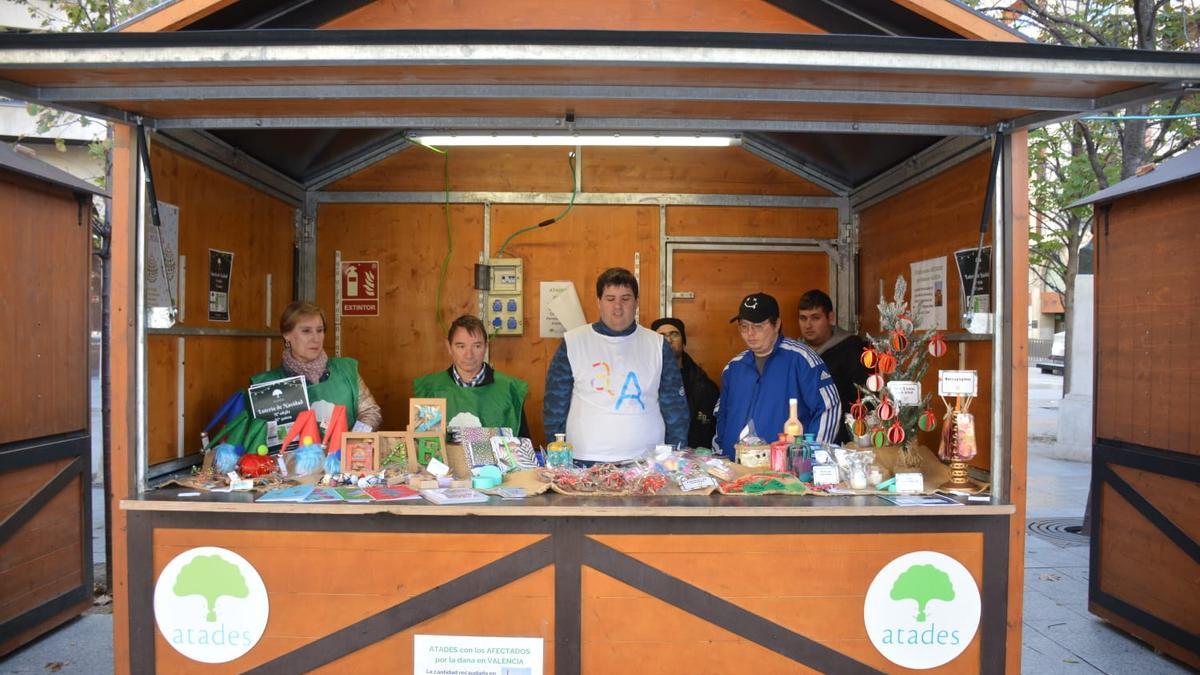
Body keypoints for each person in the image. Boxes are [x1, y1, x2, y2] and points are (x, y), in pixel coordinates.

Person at [543, 267, 688, 462]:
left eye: (625, 299)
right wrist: (559, 459)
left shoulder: (658, 345)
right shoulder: (573, 342)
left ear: (636, 302)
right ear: (599, 302)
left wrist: (673, 458)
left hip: (647, 463)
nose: (618, 307)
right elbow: (554, 409)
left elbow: (675, 409)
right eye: (610, 299)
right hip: (584, 461)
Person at [714, 292, 840, 454]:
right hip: (736, 470)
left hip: (786, 471)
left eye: (758, 326)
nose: (750, 333)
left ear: (777, 324)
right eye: (744, 326)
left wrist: (813, 457)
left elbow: (829, 407)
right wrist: (720, 456)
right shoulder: (733, 368)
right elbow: (722, 415)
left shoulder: (802, 359)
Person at [251, 301, 382, 431]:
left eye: (320, 330)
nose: (316, 338)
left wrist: (351, 441)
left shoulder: (345, 370)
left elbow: (370, 412)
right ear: (287, 335)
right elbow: (265, 435)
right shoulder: (267, 385)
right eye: (306, 331)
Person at [413, 314, 530, 437]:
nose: (469, 355)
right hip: (446, 457)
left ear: (486, 346)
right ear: (449, 347)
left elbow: (523, 446)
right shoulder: (429, 389)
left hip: (495, 457)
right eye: (461, 346)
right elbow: (423, 447)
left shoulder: (509, 389)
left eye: (477, 346)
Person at [797, 289, 871, 444]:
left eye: (815, 318)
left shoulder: (851, 348)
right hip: (801, 435)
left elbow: (864, 397)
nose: (808, 325)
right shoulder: (795, 352)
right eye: (803, 318)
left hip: (841, 438)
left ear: (830, 318)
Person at [651, 317, 719, 450]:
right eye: (662, 336)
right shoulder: (645, 380)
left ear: (683, 342)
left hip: (692, 459)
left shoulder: (704, 385)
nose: (668, 340)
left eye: (674, 334)